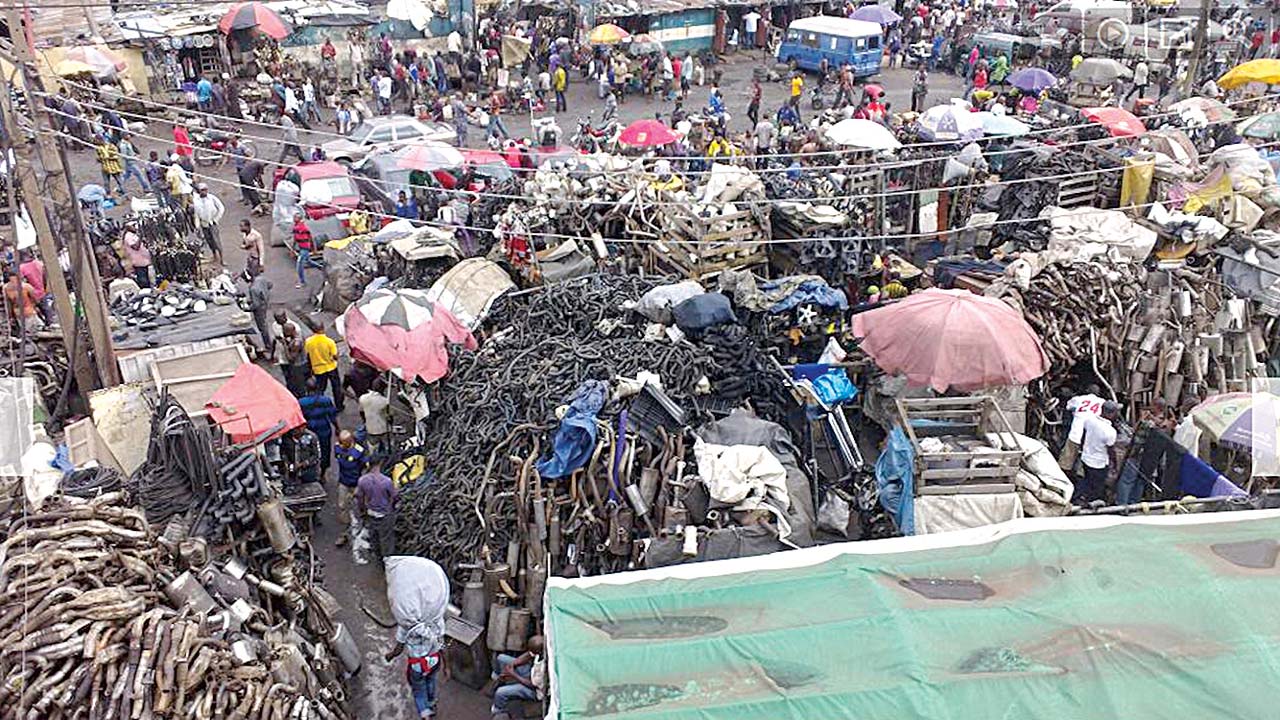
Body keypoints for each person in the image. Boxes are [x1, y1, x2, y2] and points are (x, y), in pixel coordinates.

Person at [490, 636, 545, 717]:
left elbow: (532, 684)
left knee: (500, 692)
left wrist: (513, 674)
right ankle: (498, 676)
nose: (531, 652)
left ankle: (499, 709)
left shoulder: (544, 668)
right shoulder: (539, 650)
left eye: (534, 651)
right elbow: (528, 655)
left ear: (539, 651)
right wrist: (513, 664)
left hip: (535, 690)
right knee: (501, 658)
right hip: (531, 672)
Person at [356, 455, 398, 558]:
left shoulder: (362, 480)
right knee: (386, 538)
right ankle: (387, 560)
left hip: (371, 512)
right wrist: (391, 507)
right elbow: (394, 497)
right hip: (384, 514)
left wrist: (362, 511)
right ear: (380, 464)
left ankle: (377, 555)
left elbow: (360, 498)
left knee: (374, 535)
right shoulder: (387, 481)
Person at [1077, 401, 1119, 504]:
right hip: (1099, 463)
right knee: (1097, 487)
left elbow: (1083, 435)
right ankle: (1094, 504)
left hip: (1086, 457)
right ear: (1111, 414)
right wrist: (1115, 464)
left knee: (1086, 481)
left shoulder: (1090, 420)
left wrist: (1083, 448)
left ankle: (1082, 499)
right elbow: (1111, 450)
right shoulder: (1110, 431)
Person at [334, 429, 367, 546]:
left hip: (356, 483)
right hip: (344, 482)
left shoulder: (359, 452)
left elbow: (364, 468)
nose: (342, 445)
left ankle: (365, 527)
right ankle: (345, 532)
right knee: (342, 506)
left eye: (345, 443)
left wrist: (360, 485)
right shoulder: (337, 448)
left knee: (360, 506)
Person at [301, 379, 339, 478]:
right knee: (325, 451)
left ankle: (311, 472)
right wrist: (337, 428)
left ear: (306, 389)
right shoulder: (325, 400)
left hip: (309, 431)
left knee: (309, 452)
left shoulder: (302, 402)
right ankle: (322, 474)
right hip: (324, 430)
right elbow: (332, 416)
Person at [305, 317, 344, 412]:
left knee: (320, 388)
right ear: (323, 328)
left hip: (318, 369)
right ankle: (339, 406)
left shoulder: (308, 342)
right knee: (336, 387)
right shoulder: (329, 341)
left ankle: (320, 405)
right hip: (331, 367)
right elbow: (335, 356)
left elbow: (308, 355)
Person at [192, 183, 226, 266]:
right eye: (202, 190)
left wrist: (216, 219)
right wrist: (197, 226)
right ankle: (214, 256)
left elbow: (221, 208)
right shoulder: (196, 201)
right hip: (204, 224)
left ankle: (222, 259)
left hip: (212, 223)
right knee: (209, 241)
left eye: (205, 190)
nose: (204, 192)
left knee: (217, 242)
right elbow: (196, 215)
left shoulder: (212, 198)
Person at [272, 310, 306, 394]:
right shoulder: (276, 326)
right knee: (290, 380)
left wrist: (284, 345)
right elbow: (275, 340)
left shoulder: (296, 342)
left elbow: (291, 358)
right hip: (285, 360)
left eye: (285, 332)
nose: (283, 333)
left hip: (297, 366)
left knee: (299, 385)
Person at [284, 425, 321, 492]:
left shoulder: (312, 437)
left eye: (298, 428)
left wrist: (303, 464)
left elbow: (316, 456)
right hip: (292, 474)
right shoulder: (286, 437)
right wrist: (287, 464)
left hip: (309, 472)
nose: (295, 431)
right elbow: (283, 452)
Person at [247, 264, 273, 357]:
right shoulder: (261, 279)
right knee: (264, 323)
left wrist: (247, 309)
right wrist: (263, 294)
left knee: (262, 327)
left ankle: (268, 346)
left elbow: (255, 305)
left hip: (259, 309)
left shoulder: (253, 289)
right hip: (265, 304)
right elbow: (270, 285)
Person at [17, 250, 50, 323]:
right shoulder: (38, 263)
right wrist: (45, 287)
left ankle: (43, 323)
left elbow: (22, 282)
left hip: (31, 294)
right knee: (46, 310)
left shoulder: (21, 268)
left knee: (34, 311)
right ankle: (49, 323)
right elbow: (45, 276)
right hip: (41, 290)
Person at [360, 385, 391, 456]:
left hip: (370, 428)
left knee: (372, 446)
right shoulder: (385, 401)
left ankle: (373, 458)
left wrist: (365, 422)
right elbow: (389, 416)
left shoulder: (363, 398)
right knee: (387, 445)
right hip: (383, 428)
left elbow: (361, 412)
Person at [294, 212, 321, 288]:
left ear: (299, 219)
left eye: (295, 218)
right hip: (301, 248)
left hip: (305, 248)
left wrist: (314, 249)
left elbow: (311, 238)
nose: (294, 219)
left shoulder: (303, 228)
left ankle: (302, 282)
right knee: (308, 261)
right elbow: (295, 238)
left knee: (299, 265)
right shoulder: (295, 227)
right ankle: (321, 267)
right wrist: (293, 249)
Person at [121, 221, 152, 288]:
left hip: (144, 262)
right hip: (138, 263)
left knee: (148, 281)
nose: (136, 227)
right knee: (144, 282)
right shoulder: (128, 236)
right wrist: (140, 237)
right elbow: (135, 247)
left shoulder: (134, 234)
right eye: (133, 225)